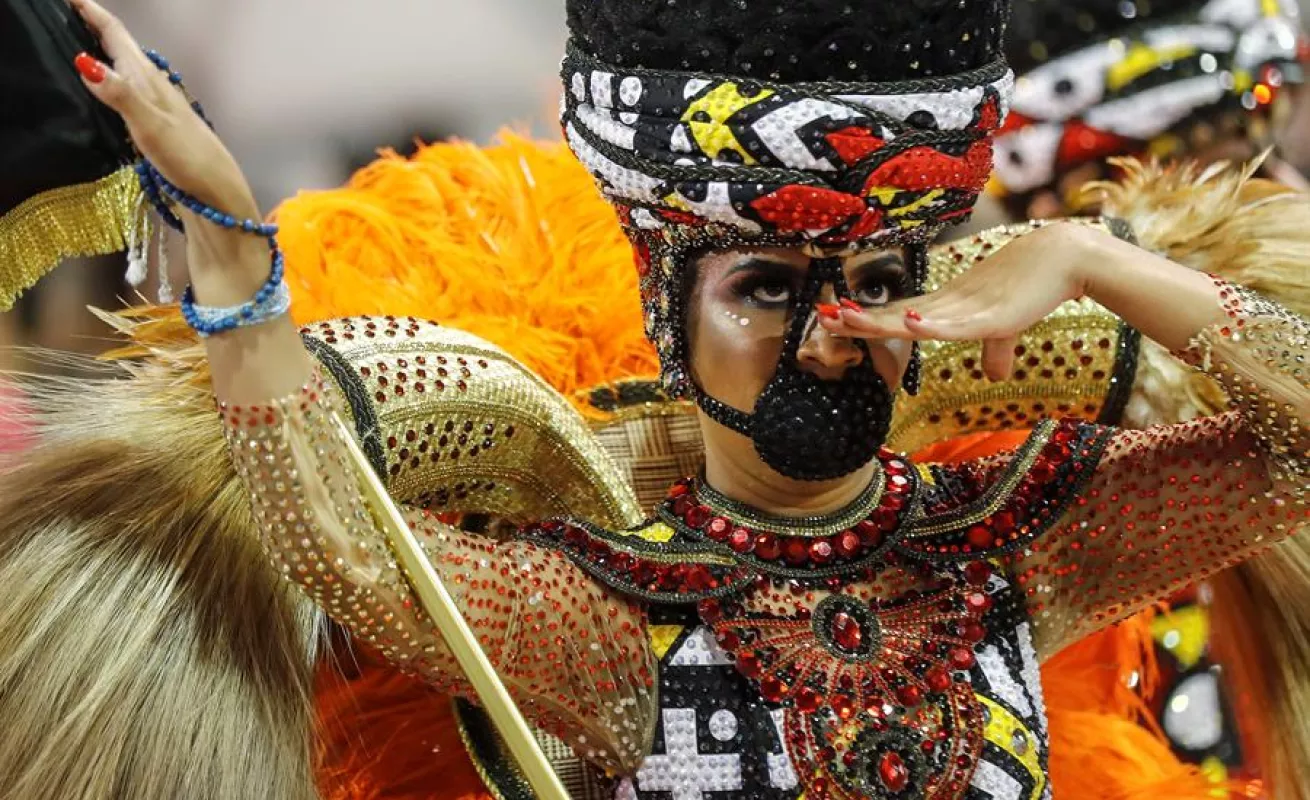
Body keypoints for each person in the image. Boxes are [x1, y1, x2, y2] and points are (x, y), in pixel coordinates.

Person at [1, 1, 1306, 799]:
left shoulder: (1020, 547)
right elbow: (342, 537)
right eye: (763, 287)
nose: (830, 334)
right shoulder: (616, 625)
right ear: (663, 299)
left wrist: (1107, 266)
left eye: (874, 278)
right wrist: (233, 258)